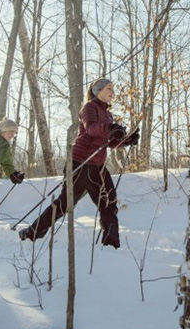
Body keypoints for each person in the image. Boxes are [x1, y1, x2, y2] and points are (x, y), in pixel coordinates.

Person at [18, 78, 139, 248]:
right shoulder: (89, 108)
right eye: (109, 88)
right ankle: (31, 233)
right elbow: (91, 128)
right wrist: (110, 128)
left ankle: (111, 245)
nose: (113, 92)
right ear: (98, 90)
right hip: (81, 162)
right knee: (65, 203)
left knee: (109, 202)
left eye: (113, 89)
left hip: (97, 166)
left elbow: (109, 142)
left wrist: (126, 140)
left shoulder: (108, 114)